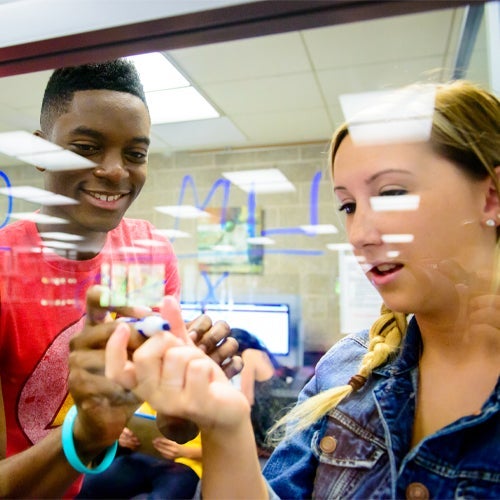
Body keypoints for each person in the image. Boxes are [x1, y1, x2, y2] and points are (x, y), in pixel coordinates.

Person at [105, 80, 500, 499]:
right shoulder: (344, 371)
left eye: (392, 193)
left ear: (490, 197)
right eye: (348, 206)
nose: (360, 234)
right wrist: (224, 425)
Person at [0, 59, 238, 497]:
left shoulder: (145, 253)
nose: (115, 171)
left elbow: (164, 420)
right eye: (87, 147)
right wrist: (85, 433)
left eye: (135, 154)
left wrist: (183, 400)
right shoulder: (3, 268)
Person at [77, 403, 202, 499]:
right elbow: (142, 421)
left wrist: (185, 452)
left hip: (188, 466)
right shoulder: (160, 393)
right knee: (89, 484)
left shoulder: (210, 402)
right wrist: (125, 437)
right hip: (146, 457)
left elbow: (220, 454)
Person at [229, 328, 292, 456]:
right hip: (280, 415)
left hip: (268, 418)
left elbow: (247, 399)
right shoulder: (260, 353)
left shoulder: (248, 355)